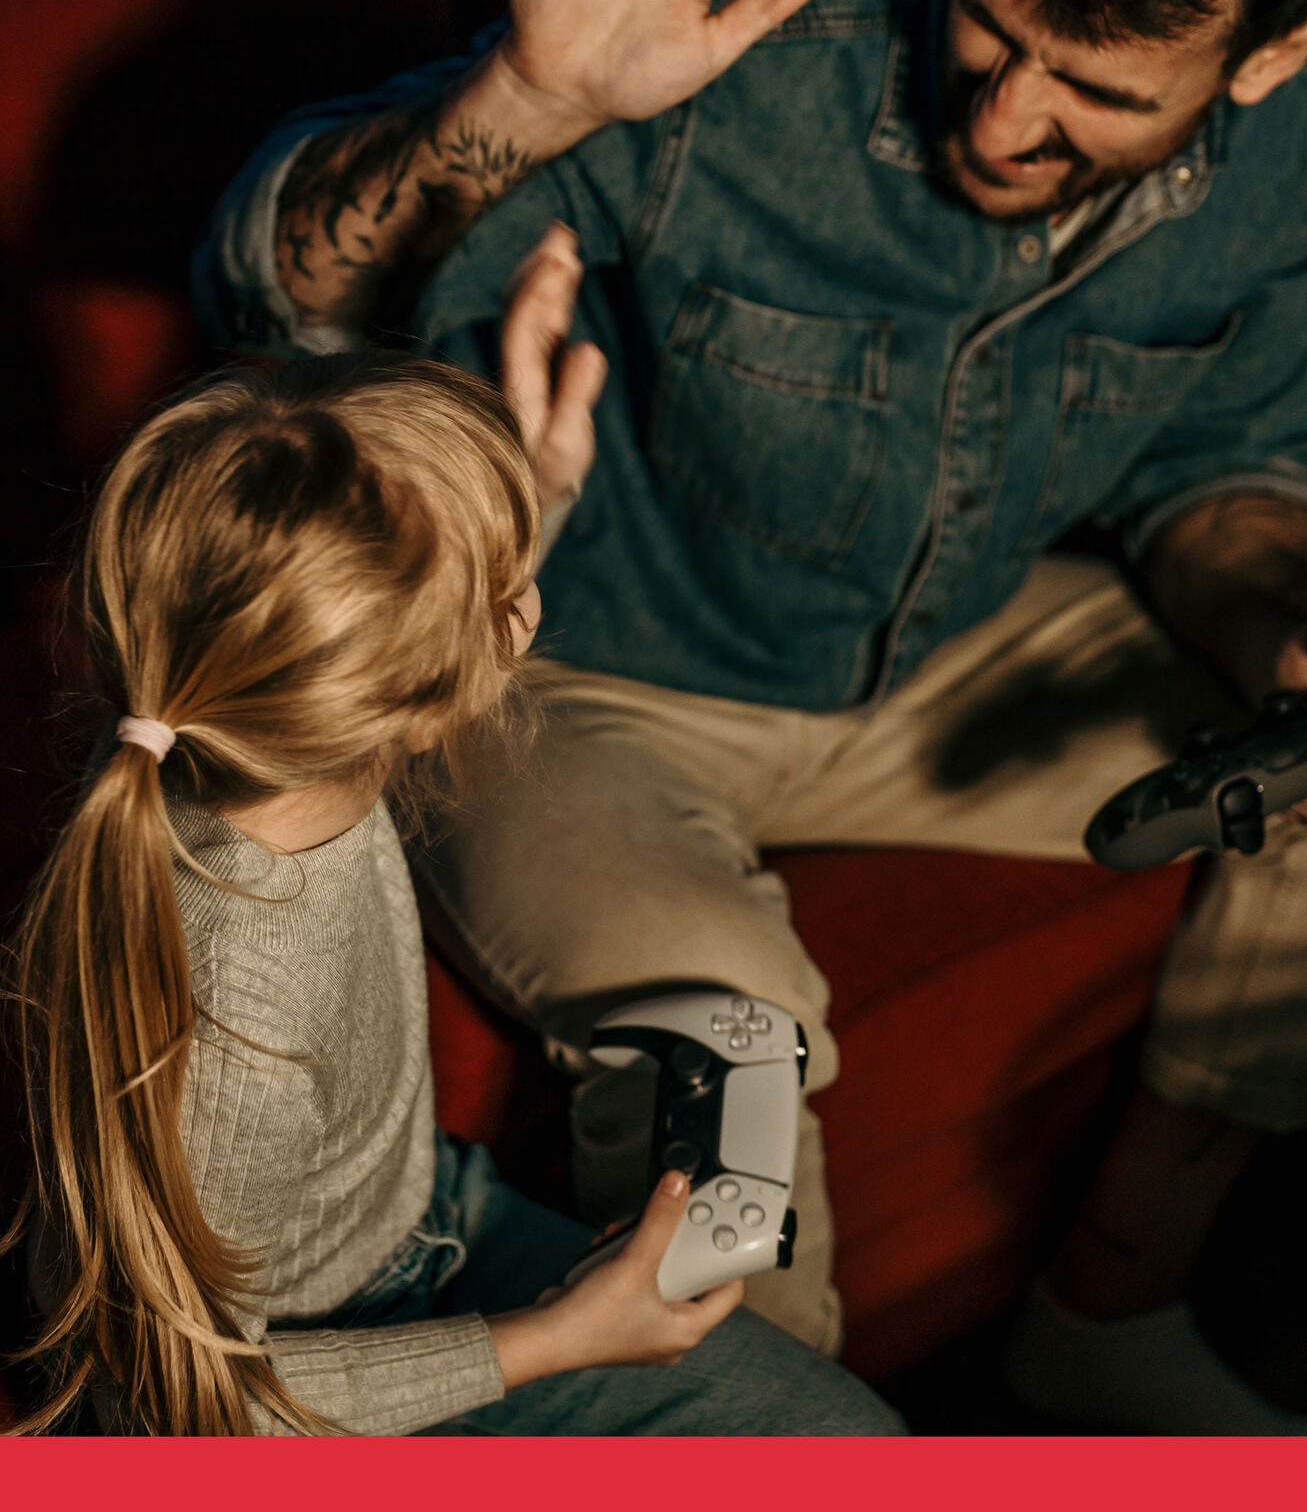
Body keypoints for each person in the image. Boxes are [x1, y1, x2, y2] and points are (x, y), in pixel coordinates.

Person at [197, 0, 1307, 1433]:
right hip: (586, 672)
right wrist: (529, 92)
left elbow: (1235, 450)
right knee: (729, 1044)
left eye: (1094, 94)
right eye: (992, 37)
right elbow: (277, 304)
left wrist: (1272, 635)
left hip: (942, 655)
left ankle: (1107, 1313)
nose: (1001, 123)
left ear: (1269, 56)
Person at [3, 244, 903, 1436]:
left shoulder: (248, 721)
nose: (525, 598)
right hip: (299, 1374)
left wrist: (534, 485)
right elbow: (186, 1406)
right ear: (417, 699)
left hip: (420, 1218)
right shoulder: (235, 1017)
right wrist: (555, 1341)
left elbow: (405, 627)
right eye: (502, 588)